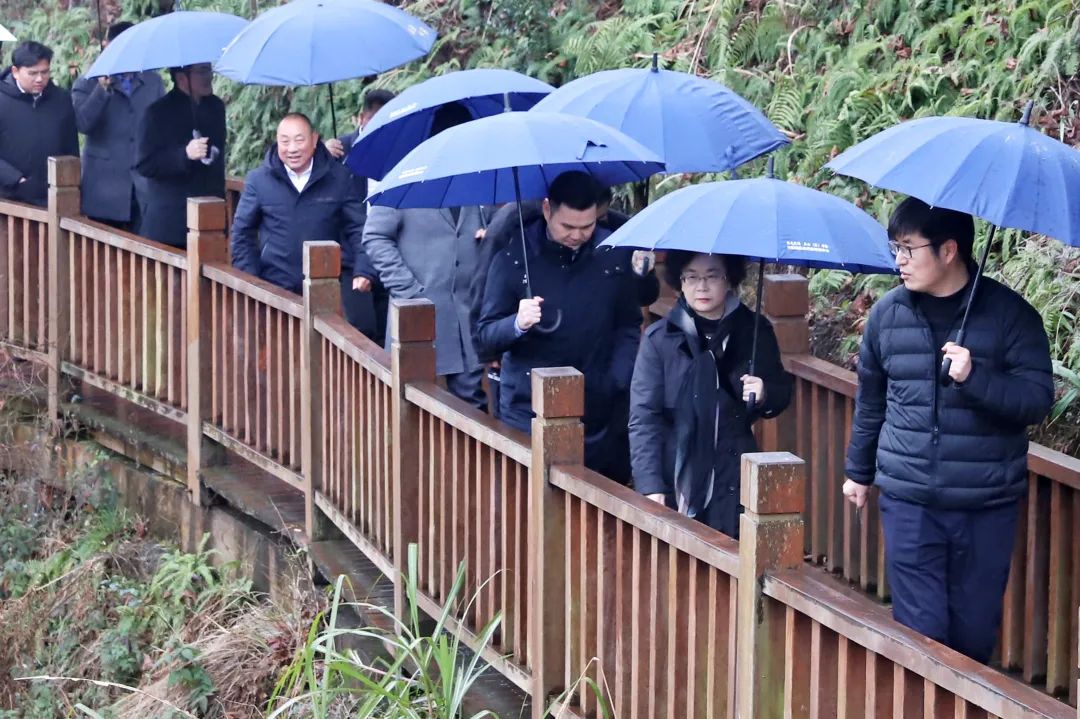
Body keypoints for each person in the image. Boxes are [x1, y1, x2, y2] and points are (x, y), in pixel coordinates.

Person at [843, 197, 1054, 664]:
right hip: (909, 498)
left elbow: (1036, 401)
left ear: (949, 250)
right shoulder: (887, 316)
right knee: (923, 636)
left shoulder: (1011, 316)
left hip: (985, 502)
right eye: (895, 248)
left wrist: (974, 377)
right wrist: (858, 472)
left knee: (972, 637)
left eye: (908, 248)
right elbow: (871, 400)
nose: (899, 260)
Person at [475, 171, 643, 481]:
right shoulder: (514, 256)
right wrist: (516, 323)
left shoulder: (611, 254)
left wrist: (617, 377)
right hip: (527, 408)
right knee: (527, 492)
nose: (577, 235)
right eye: (568, 227)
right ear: (547, 210)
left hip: (597, 405)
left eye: (587, 226)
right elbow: (485, 335)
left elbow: (629, 323)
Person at [628, 251, 791, 537]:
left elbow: (781, 393)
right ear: (680, 281)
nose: (701, 287)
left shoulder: (753, 331)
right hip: (676, 473)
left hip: (734, 471)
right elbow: (644, 417)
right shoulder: (660, 339)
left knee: (732, 552)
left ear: (729, 279)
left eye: (712, 276)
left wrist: (764, 392)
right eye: (691, 277)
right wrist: (650, 485)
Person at [362, 103, 487, 409]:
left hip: (467, 314)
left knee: (472, 404)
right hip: (418, 313)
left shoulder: (480, 180)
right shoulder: (404, 178)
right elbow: (375, 236)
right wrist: (410, 291)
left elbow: (494, 229)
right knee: (412, 402)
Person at [229, 113, 378, 336]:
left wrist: (364, 269)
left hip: (327, 284)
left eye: (299, 140)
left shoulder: (339, 177)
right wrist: (251, 280)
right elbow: (242, 233)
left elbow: (359, 228)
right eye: (285, 141)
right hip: (275, 284)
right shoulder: (259, 180)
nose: (292, 148)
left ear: (315, 139)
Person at [72, 22, 165, 229]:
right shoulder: (87, 82)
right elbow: (82, 123)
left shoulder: (153, 82)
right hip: (104, 190)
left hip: (143, 188)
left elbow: (163, 125)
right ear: (107, 46)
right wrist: (101, 89)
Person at [134, 63, 225, 248]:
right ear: (182, 77)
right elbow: (145, 164)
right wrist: (184, 154)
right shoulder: (157, 113)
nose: (209, 76)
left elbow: (218, 150)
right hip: (171, 222)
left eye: (209, 70)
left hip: (210, 215)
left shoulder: (216, 107)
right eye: (202, 71)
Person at [0, 41, 78, 207]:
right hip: (9, 197)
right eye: (32, 73)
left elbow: (71, 146)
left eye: (45, 72)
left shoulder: (61, 99)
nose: (39, 79)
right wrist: (16, 179)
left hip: (53, 196)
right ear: (15, 72)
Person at [324, 88, 395, 163]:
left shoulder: (398, 146)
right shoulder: (339, 148)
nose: (380, 126)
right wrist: (323, 155)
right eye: (375, 120)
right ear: (361, 118)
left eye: (387, 120)